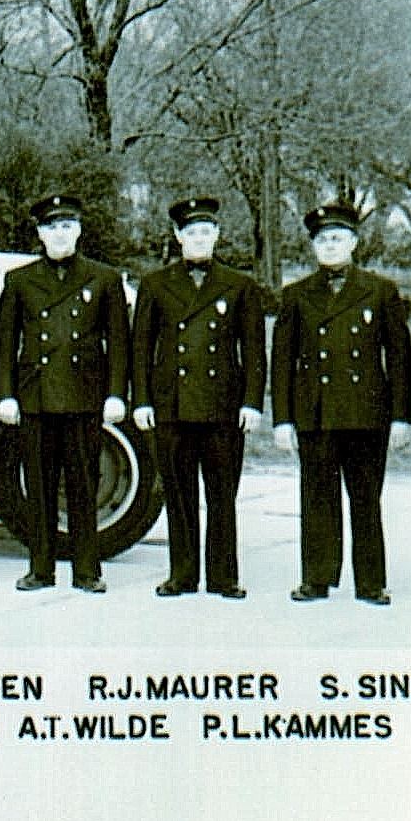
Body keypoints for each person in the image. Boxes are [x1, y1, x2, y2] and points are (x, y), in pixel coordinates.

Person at [271, 201, 411, 604]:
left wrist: (401, 416)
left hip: (367, 412)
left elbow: (399, 357)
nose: (329, 246)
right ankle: (316, 578)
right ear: (313, 247)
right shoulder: (297, 295)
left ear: (353, 242)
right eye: (322, 240)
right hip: (315, 413)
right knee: (317, 497)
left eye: (337, 238)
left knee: (366, 497)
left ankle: (371, 582)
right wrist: (283, 420)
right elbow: (282, 361)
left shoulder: (381, 291)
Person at [128, 196, 266, 599]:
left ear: (217, 235)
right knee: (179, 492)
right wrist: (142, 401)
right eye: (191, 233)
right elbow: (141, 348)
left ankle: (224, 576)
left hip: (223, 405)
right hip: (172, 404)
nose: (199, 239)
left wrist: (252, 402)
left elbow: (254, 350)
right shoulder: (156, 284)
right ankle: (182, 574)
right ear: (178, 237)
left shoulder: (240, 285)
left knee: (222, 493)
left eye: (206, 232)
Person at [0, 193, 130, 594]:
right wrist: (6, 394)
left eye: (67, 226)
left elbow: (118, 342)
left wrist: (115, 394)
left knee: (83, 484)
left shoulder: (104, 278)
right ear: (39, 233)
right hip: (36, 397)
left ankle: (87, 570)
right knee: (38, 486)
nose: (60, 234)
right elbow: (6, 344)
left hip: (84, 396)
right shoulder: (19, 280)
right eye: (52, 227)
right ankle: (41, 568)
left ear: (79, 230)